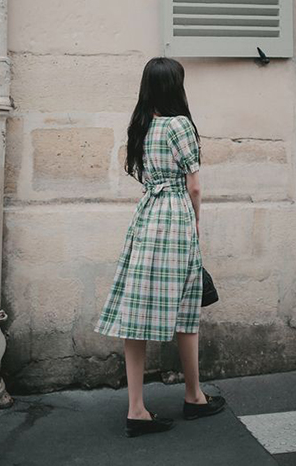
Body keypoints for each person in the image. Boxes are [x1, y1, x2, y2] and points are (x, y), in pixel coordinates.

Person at [94, 56, 225, 437]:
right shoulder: (178, 124)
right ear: (174, 87)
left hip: (146, 217)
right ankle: (193, 396)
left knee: (135, 311)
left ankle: (137, 408)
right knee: (186, 308)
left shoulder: (142, 125)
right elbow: (194, 186)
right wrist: (196, 220)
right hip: (174, 218)